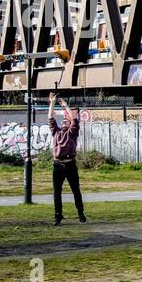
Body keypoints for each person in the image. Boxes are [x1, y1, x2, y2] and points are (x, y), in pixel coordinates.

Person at [49, 94, 86, 224]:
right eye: (63, 121)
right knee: (56, 192)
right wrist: (52, 103)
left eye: (67, 121)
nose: (65, 122)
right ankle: (58, 216)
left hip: (70, 165)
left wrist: (66, 107)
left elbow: (74, 119)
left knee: (76, 190)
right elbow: (51, 118)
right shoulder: (56, 132)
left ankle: (81, 213)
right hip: (57, 166)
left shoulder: (72, 133)